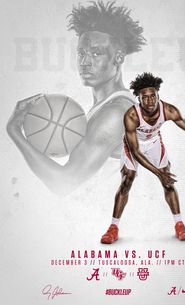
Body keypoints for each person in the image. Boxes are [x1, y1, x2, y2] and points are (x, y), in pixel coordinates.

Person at [6, 1, 146, 196]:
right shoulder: (107, 107)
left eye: (96, 53)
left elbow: (64, 183)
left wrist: (14, 131)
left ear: (119, 57)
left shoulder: (115, 114)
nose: (85, 62)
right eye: (81, 52)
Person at [101, 72, 185, 243]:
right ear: (139, 98)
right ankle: (113, 228)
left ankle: (179, 225)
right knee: (126, 182)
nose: (150, 101)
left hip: (153, 142)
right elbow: (136, 152)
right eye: (145, 97)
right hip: (133, 146)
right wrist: (157, 172)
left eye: (153, 96)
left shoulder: (168, 110)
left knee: (168, 182)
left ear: (158, 94)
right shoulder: (131, 116)